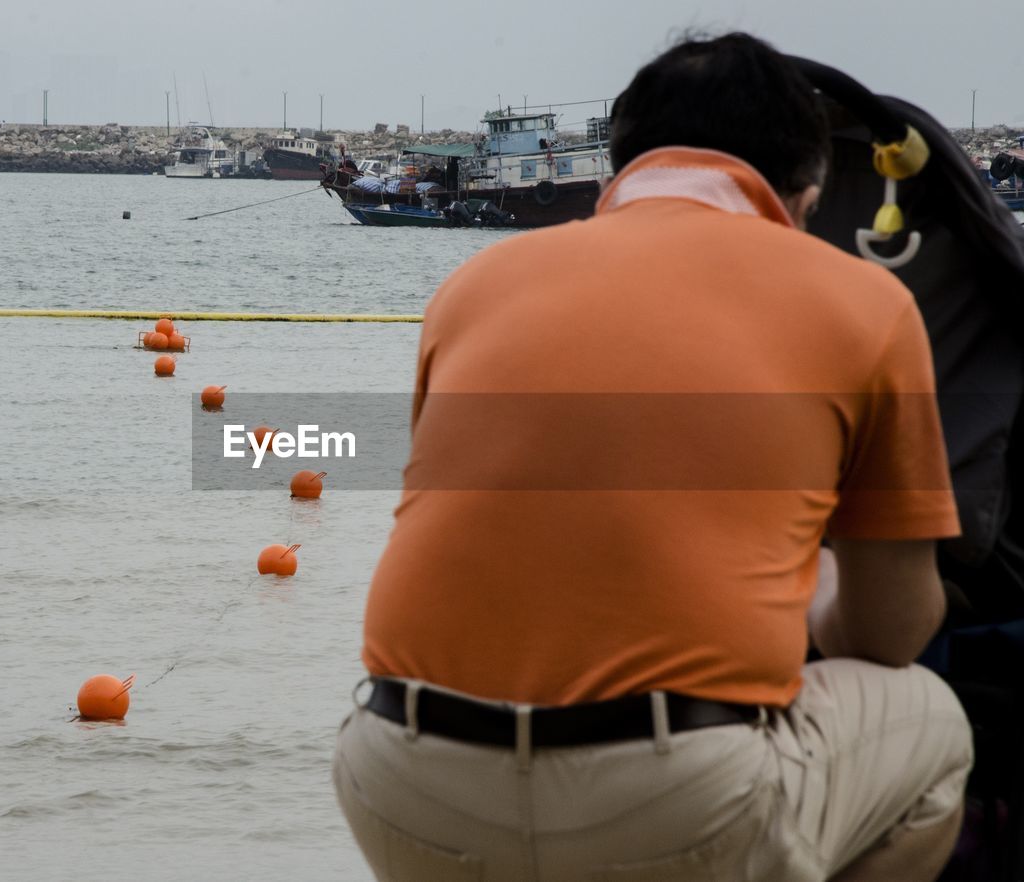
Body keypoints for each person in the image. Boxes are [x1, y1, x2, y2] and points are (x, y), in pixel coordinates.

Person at [334, 32, 973, 882]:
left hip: (401, 782)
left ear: (616, 173)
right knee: (933, 725)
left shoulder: (474, 285)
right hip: (675, 801)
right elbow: (892, 633)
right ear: (806, 195)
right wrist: (808, 590)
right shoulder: (870, 303)